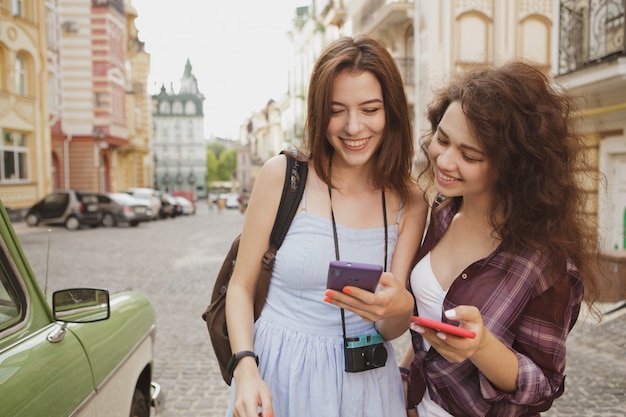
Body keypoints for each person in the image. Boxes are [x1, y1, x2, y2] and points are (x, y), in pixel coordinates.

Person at [224, 35, 427, 417]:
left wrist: (402, 306)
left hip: (367, 385)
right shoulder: (282, 176)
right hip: (280, 374)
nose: (354, 127)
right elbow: (240, 286)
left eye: (370, 109)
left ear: (392, 112)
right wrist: (246, 368)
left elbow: (389, 327)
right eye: (337, 110)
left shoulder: (411, 200)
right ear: (319, 114)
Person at [399, 61, 602, 416]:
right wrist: (405, 380)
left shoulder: (547, 264)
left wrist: (481, 347)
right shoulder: (442, 212)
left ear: (511, 165)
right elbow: (427, 328)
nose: (444, 161)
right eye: (442, 140)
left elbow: (544, 387)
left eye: (469, 155)